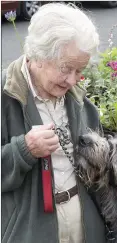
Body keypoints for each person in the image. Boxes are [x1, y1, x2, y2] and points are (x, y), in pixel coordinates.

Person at [1, 3, 106, 243]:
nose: (72, 80)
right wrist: (24, 150)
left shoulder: (81, 101)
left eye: (80, 70)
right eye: (66, 68)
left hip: (84, 225)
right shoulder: (5, 96)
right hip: (29, 231)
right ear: (38, 55)